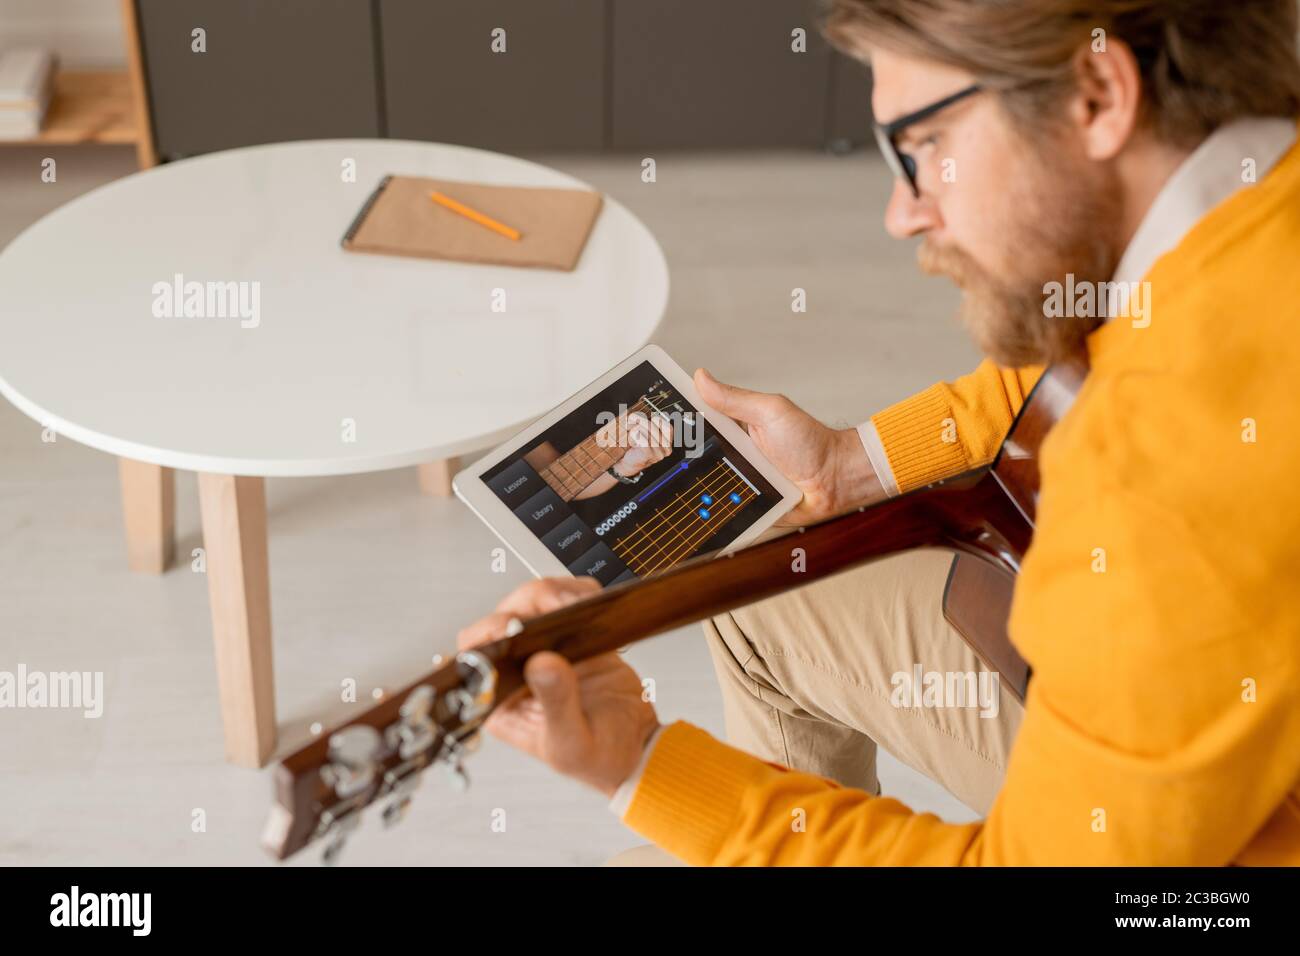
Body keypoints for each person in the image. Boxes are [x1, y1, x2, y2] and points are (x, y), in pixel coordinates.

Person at [456, 0, 1300, 865]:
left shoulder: (1158, 478)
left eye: (924, 145)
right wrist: (846, 463)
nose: (903, 212)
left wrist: (637, 764)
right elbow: (1057, 365)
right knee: (761, 604)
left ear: (1096, 94)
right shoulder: (1241, 193)